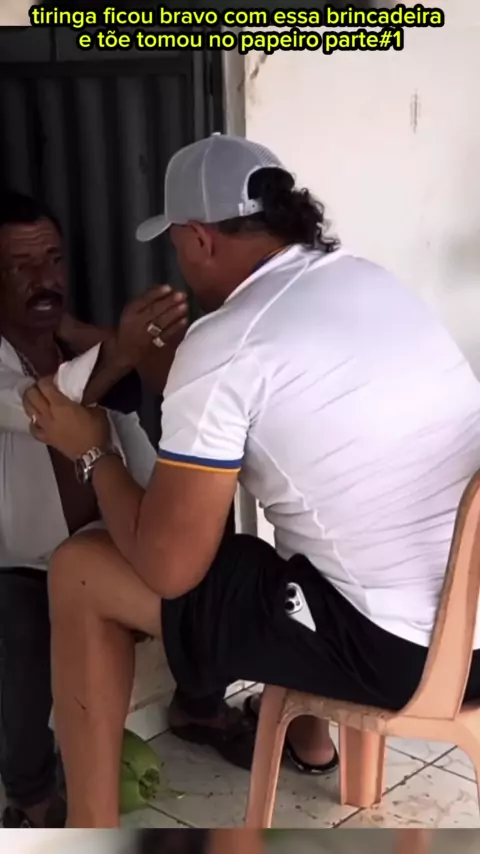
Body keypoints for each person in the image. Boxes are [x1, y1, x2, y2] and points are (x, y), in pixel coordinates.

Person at [23, 133, 480, 828]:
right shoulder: (366, 280)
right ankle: (314, 745)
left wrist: (92, 450)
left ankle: (88, 829)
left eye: (177, 243)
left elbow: (167, 567)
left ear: (200, 238)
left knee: (83, 570)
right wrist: (171, 373)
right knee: (278, 551)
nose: (179, 259)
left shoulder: (229, 341)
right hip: (470, 625)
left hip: (401, 656)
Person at [0, 190, 188, 827]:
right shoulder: (64, 364)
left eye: (52, 259)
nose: (44, 278)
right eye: (20, 266)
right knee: (19, 621)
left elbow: (139, 423)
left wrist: (120, 346)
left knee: (196, 563)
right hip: (21, 563)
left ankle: (202, 706)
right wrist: (122, 349)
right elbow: (41, 407)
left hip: (106, 542)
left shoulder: (81, 349)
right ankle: (30, 796)